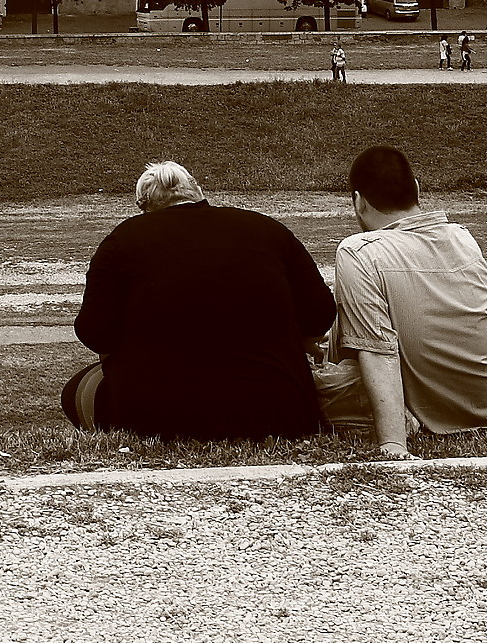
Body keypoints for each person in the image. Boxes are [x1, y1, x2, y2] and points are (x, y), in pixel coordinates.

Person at [65, 161, 336, 442]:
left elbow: (95, 333)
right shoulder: (270, 230)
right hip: (279, 411)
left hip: (160, 419)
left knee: (78, 389)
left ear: (143, 206)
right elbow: (321, 314)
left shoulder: (121, 241)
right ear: (197, 190)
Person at [323, 145, 487, 459]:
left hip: (420, 415)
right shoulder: (463, 238)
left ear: (358, 202)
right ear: (417, 189)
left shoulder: (359, 251)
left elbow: (377, 349)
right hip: (479, 411)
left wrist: (393, 446)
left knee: (290, 383)